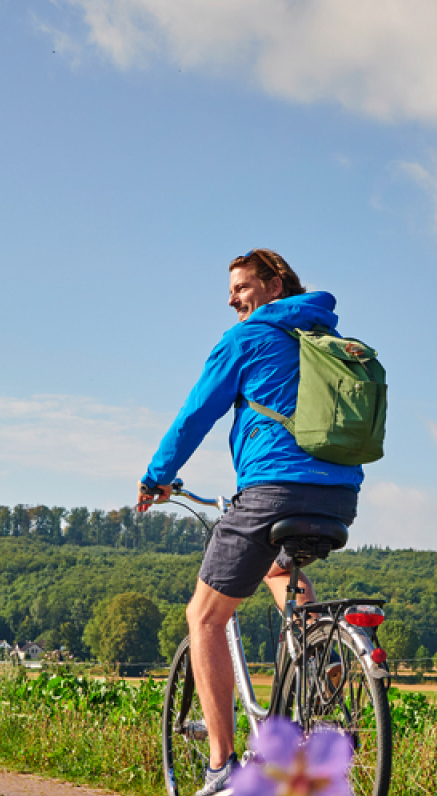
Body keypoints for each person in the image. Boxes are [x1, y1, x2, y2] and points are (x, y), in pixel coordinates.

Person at [140, 248, 365, 796]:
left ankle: (221, 769)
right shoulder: (327, 339)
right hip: (339, 496)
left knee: (205, 618)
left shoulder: (246, 339)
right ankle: (325, 669)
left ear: (274, 282)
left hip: (271, 491)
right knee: (277, 570)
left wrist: (157, 475)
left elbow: (196, 413)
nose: (233, 298)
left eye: (242, 286)